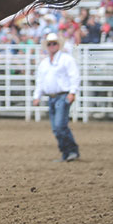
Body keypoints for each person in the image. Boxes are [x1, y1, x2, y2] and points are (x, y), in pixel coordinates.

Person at [33, 32, 80, 162]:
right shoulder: (44, 63)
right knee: (56, 128)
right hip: (52, 97)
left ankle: (71, 151)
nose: (52, 46)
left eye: (54, 43)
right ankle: (67, 152)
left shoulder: (66, 59)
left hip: (62, 96)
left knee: (59, 125)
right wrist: (37, 96)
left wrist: (72, 92)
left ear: (58, 45)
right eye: (50, 44)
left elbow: (74, 76)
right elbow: (40, 81)